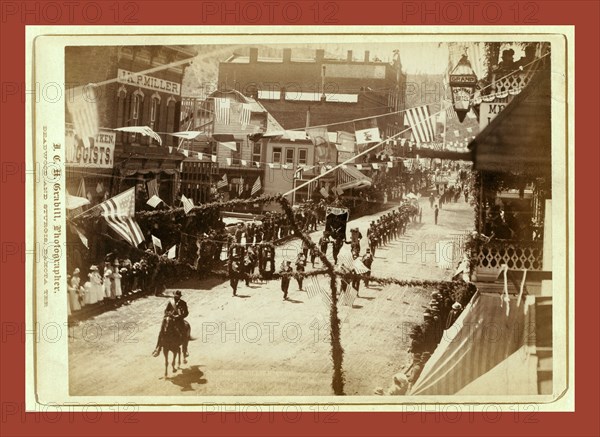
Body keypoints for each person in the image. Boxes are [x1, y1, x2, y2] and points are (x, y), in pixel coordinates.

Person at [153, 290, 189, 357]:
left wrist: (179, 316)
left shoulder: (183, 303)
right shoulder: (171, 302)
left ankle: (185, 350)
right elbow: (166, 310)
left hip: (179, 320)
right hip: (170, 319)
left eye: (178, 296)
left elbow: (186, 313)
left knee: (184, 332)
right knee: (161, 332)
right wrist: (168, 314)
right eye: (175, 295)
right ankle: (158, 348)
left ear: (179, 296)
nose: (176, 297)